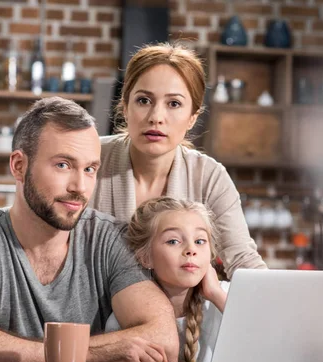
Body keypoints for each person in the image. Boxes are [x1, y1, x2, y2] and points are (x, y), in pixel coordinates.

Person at [0, 97, 179, 362]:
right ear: (19, 166)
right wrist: (89, 356)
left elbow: (164, 341)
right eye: (63, 165)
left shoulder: (110, 240)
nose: (80, 187)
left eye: (90, 169)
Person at [105, 197, 323, 362]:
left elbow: (275, 341)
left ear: (211, 253)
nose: (191, 250)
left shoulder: (225, 297)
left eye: (200, 241)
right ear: (145, 257)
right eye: (173, 241)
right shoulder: (126, 312)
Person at [92, 42, 266, 279]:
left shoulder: (208, 176)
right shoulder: (90, 158)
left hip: (181, 315)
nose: (156, 117)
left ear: (192, 117)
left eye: (174, 104)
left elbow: (244, 262)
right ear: (125, 106)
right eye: (144, 100)